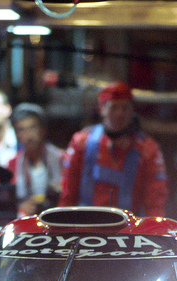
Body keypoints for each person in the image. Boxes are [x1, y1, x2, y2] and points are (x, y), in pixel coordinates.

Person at [59, 81, 169, 216]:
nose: (119, 114)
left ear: (132, 110)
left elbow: (155, 201)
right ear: (102, 109)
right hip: (85, 226)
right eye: (113, 107)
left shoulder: (148, 149)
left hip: (129, 230)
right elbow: (67, 194)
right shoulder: (81, 143)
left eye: (125, 108)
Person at [8, 103, 64, 217]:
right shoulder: (11, 165)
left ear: (43, 129)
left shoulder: (63, 159)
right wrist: (21, 207)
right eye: (21, 130)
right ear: (16, 135)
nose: (28, 135)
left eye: (32, 127)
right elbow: (6, 203)